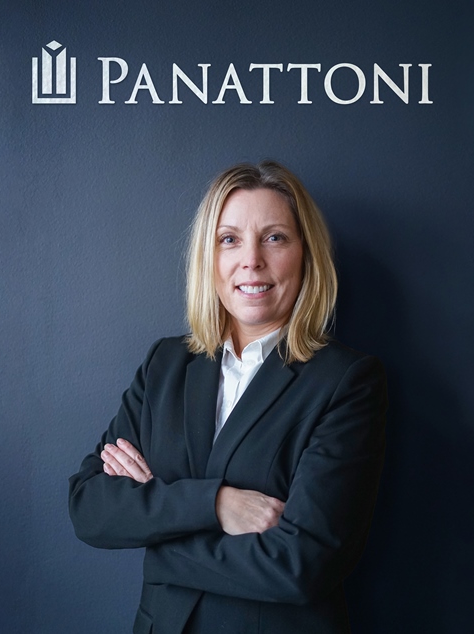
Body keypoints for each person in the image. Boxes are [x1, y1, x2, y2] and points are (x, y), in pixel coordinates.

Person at [67, 160, 387, 634]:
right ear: (209, 258)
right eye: (229, 239)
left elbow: (299, 564)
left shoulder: (347, 382)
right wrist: (216, 505)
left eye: (274, 237)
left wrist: (156, 536)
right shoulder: (165, 364)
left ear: (306, 254)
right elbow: (90, 507)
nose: (251, 260)